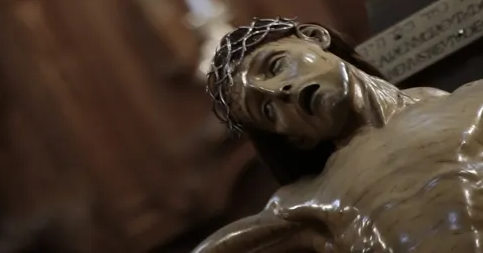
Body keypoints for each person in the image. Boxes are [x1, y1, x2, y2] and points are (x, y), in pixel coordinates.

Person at [194, 16, 476, 253]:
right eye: (268, 110)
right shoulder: (309, 199)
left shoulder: (473, 103)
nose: (280, 91)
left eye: (276, 65)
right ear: (297, 137)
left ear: (315, 37)